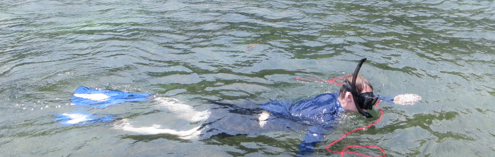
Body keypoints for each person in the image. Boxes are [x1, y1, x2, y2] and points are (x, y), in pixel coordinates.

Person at [117, 59, 421, 154]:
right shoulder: (329, 116)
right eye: (365, 100)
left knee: (199, 114)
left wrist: (395, 100)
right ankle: (127, 125)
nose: (370, 104)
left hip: (262, 107)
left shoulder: (335, 98)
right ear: (346, 98)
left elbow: (367, 98)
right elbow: (307, 145)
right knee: (193, 134)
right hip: (259, 122)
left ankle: (158, 100)